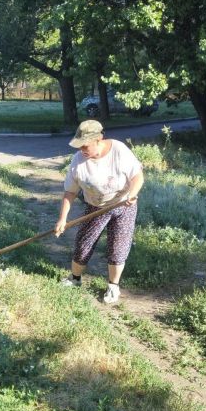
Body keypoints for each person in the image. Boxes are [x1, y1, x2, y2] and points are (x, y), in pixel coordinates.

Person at [55, 119, 144, 305]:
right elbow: (70, 192)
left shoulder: (118, 151)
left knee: (118, 246)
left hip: (122, 205)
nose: (82, 150)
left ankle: (113, 286)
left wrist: (132, 195)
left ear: (99, 139)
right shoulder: (78, 161)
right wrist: (62, 219)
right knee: (83, 244)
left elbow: (137, 177)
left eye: (85, 146)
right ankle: (75, 279)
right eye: (79, 146)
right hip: (95, 207)